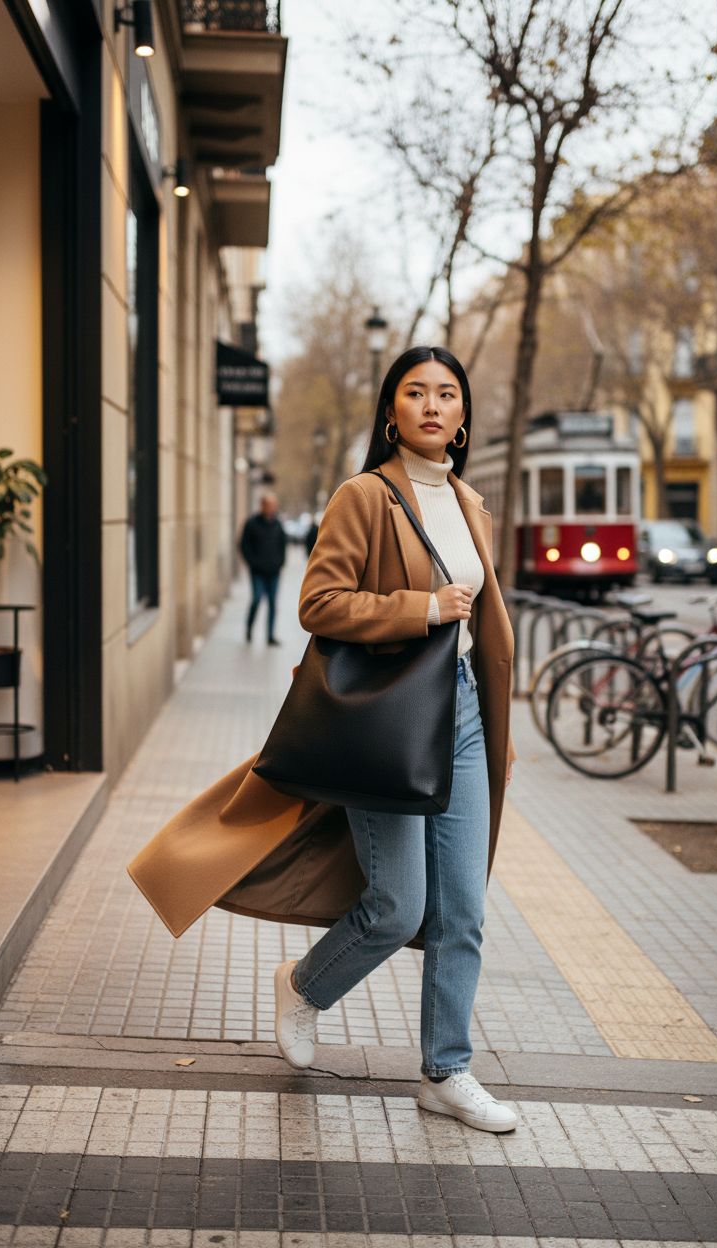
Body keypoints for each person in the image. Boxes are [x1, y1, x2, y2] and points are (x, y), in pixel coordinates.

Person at [272, 345, 519, 1133]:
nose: (433, 405)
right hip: (390, 718)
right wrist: (422, 608)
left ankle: (446, 1072)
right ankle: (305, 986)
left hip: (465, 715)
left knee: (463, 910)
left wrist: (500, 728)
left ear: (463, 414)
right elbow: (319, 602)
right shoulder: (365, 495)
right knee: (397, 906)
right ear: (392, 412)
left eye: (447, 393)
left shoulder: (471, 503)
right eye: (416, 392)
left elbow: (483, 626)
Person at [239, 492, 286, 646]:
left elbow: (283, 544)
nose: (272, 508)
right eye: (269, 505)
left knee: (272, 603)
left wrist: (280, 562)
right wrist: (253, 563)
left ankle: (270, 636)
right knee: (257, 599)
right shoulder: (251, 523)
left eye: (274, 505)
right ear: (262, 505)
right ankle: (249, 628)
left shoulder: (278, 524)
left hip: (274, 572)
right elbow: (243, 545)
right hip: (257, 572)